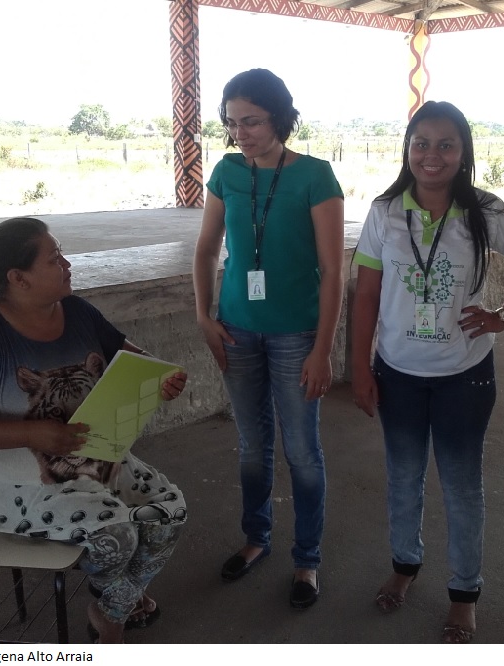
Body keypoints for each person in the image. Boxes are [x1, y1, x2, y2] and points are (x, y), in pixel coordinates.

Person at [0, 217, 189, 644]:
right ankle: (115, 620)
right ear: (18, 278)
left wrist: (161, 380)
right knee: (116, 533)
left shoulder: (78, 312)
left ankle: (109, 605)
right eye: (54, 258)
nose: (67, 264)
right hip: (18, 486)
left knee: (169, 512)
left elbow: (134, 360)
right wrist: (31, 434)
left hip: (98, 461)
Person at [351, 101, 504, 642]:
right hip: (397, 373)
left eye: (445, 144)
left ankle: (464, 592)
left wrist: (503, 317)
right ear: (407, 148)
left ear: (463, 153)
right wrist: (359, 369)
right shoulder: (384, 211)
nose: (431, 155)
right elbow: (365, 293)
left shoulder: (484, 211)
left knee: (462, 487)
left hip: (464, 374)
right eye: (421, 142)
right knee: (403, 479)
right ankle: (405, 565)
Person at [192, 68, 344, 609]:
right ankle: (256, 538)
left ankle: (307, 559)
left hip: (295, 335)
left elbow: (332, 270)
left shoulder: (315, 177)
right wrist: (204, 315)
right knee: (253, 447)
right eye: (233, 123)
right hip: (236, 329)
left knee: (302, 451)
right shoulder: (227, 171)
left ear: (280, 117)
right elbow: (207, 249)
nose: (241, 133)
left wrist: (323, 349)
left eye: (252, 121)